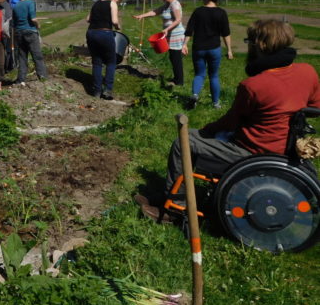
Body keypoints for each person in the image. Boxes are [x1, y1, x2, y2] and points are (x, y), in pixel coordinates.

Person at [137, 19, 320, 223]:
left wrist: (208, 130)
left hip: (253, 151)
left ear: (259, 45)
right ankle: (171, 193)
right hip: (286, 147)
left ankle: (176, 206)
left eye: (249, 41)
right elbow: (315, 107)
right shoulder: (308, 71)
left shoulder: (254, 85)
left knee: (185, 141)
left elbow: (230, 122)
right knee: (201, 139)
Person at [182, 0, 233, 109]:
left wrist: (184, 44)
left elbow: (189, 30)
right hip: (214, 49)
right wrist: (229, 50)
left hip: (198, 48)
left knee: (199, 74)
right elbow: (226, 33)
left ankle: (195, 95)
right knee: (214, 76)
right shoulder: (221, 13)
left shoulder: (198, 11)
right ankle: (215, 103)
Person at [134, 0, 186, 86]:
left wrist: (167, 29)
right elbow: (155, 12)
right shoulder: (166, 5)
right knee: (172, 57)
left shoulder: (175, 4)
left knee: (176, 57)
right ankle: (177, 78)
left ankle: (179, 82)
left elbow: (178, 19)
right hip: (169, 35)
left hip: (176, 35)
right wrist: (142, 16)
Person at [86, 0, 124, 100]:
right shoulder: (112, 3)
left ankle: (97, 91)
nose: (118, 1)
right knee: (111, 61)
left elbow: (88, 19)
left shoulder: (96, 3)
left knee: (97, 62)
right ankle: (107, 90)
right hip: (104, 33)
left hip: (91, 33)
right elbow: (114, 21)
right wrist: (118, 26)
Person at [13, 0, 48, 85]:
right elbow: (33, 18)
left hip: (19, 33)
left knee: (22, 57)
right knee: (37, 56)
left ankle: (21, 79)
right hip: (30, 32)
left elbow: (14, 23)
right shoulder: (31, 3)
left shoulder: (16, 6)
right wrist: (38, 25)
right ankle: (42, 77)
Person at [1, 0, 16, 73]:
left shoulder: (9, 1)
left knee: (10, 48)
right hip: (3, 28)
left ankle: (9, 67)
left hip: (10, 27)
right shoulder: (1, 2)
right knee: (4, 49)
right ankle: (3, 68)